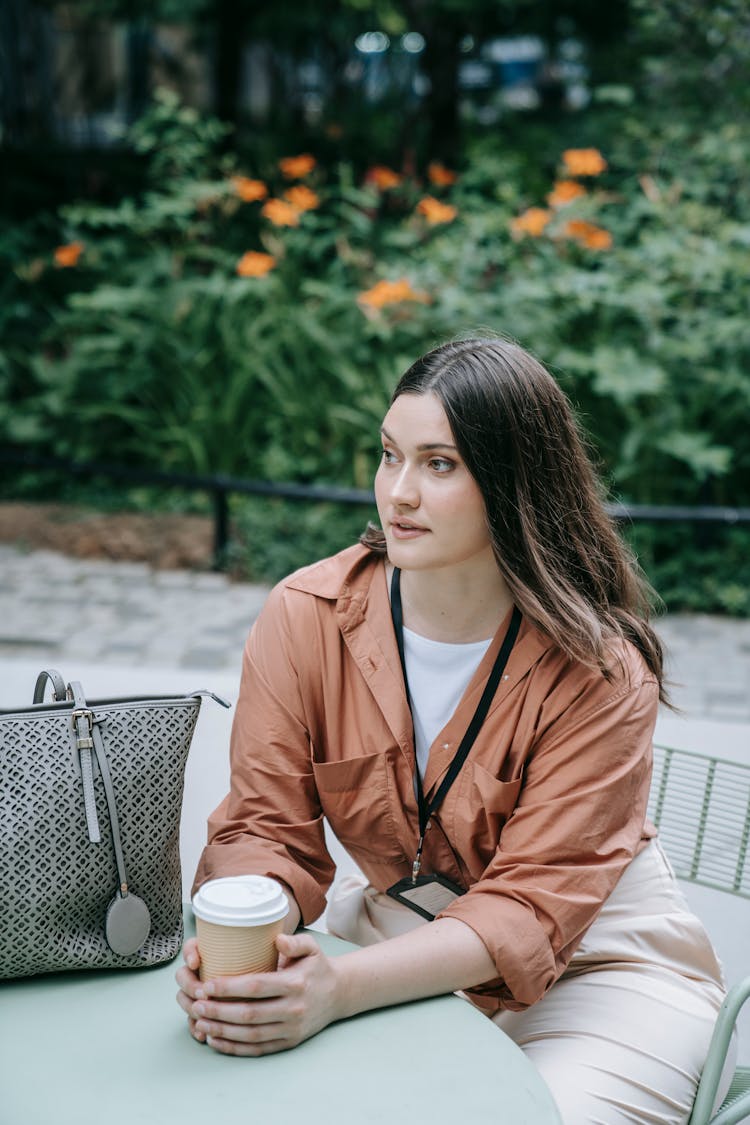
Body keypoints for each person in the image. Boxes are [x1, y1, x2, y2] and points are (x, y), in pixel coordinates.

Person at [176, 337, 731, 1124]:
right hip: (399, 936)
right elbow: (266, 826)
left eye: (440, 464)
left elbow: (531, 907)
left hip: (600, 965)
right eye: (389, 455)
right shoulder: (306, 617)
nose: (397, 492)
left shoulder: (598, 670)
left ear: (514, 483)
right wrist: (246, 943)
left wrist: (335, 991)